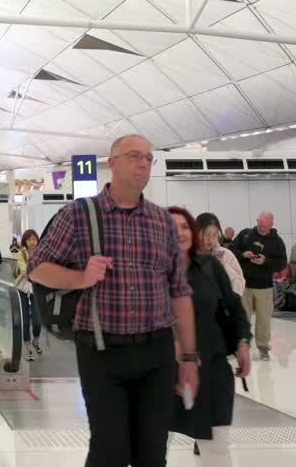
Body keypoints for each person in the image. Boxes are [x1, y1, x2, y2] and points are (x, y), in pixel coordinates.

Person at [29, 134, 198, 467]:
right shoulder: (77, 215)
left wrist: (189, 356)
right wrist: (81, 277)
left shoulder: (162, 221)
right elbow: (37, 269)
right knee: (110, 451)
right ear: (113, 163)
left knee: (153, 452)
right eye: (135, 156)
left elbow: (179, 291)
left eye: (149, 158)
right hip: (101, 351)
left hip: (156, 353)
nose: (143, 163)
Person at [168, 206, 252, 460]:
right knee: (151, 448)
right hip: (162, 372)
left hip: (211, 370)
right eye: (172, 227)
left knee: (215, 448)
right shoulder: (149, 271)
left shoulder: (210, 266)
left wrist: (242, 342)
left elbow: (234, 308)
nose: (180, 232)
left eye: (185, 226)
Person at [230, 211, 287, 360]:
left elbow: (281, 263)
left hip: (264, 287)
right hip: (244, 285)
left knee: (263, 319)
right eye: (259, 224)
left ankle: (263, 347)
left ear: (271, 225)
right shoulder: (245, 234)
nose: (261, 228)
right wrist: (243, 254)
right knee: (242, 318)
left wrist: (265, 261)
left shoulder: (277, 241)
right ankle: (241, 346)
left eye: (264, 226)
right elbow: (230, 250)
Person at [12, 229, 43, 361]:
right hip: (22, 288)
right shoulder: (21, 254)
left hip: (36, 289)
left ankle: (35, 341)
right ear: (25, 241)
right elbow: (24, 270)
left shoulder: (42, 253)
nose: (32, 242)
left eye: (34, 239)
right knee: (25, 319)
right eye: (29, 239)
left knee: (37, 321)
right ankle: (28, 346)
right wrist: (35, 271)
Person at [196, 213, 244, 296]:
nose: (210, 239)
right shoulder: (188, 254)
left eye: (214, 235)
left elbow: (240, 284)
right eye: (207, 234)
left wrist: (221, 267)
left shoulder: (226, 254)